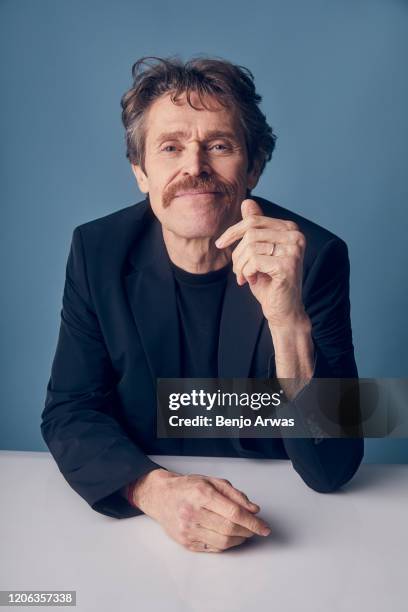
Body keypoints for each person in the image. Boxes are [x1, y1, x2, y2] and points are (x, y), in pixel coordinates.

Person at [41, 56, 364, 554]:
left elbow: (334, 469)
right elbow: (69, 410)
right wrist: (154, 490)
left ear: (254, 166)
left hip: (285, 526)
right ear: (141, 173)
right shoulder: (96, 251)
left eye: (219, 145)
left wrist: (288, 321)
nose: (194, 168)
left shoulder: (315, 257)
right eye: (170, 148)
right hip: (139, 528)